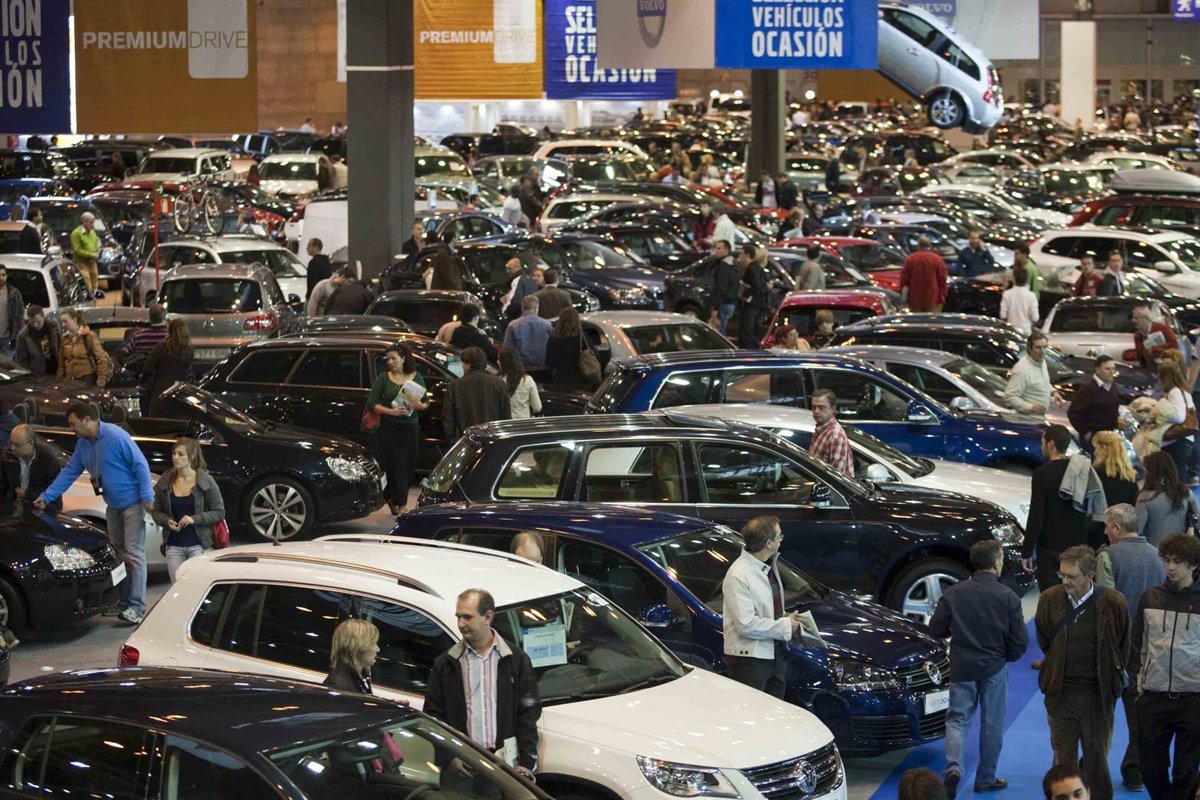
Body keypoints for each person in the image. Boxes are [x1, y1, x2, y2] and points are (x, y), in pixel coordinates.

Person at [34, 401, 154, 626]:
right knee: (118, 554)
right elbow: (70, 472)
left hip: (133, 504)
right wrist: (47, 496)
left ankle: (137, 607)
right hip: (113, 506)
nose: (72, 428)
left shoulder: (116, 436)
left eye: (74, 424)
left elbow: (140, 465)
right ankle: (122, 601)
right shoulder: (83, 443)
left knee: (134, 554)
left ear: (87, 420)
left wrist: (147, 496)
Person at [929, 540, 1028, 799]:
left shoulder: (954, 593)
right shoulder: (1008, 596)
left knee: (957, 721)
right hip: (993, 668)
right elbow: (1020, 640)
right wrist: (1005, 657)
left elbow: (936, 629)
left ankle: (953, 769)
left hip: (962, 667)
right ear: (996, 562)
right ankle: (986, 779)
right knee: (992, 725)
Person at [1035, 545, 1130, 800]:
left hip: (1098, 696)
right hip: (1060, 694)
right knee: (1063, 762)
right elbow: (1045, 640)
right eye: (1062, 575)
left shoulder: (1114, 602)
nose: (1065, 581)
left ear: (1090, 575)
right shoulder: (1049, 599)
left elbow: (1123, 646)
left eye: (1071, 576)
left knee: (1097, 761)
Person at [424, 588, 540, 777]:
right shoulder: (446, 663)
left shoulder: (515, 659)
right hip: (462, 767)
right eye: (458, 617)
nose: (461, 624)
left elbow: (528, 712)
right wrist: (448, 757)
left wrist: (525, 763)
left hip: (504, 766)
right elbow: (434, 715)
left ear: (488, 617)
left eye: (467, 617)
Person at [1095, 502, 1166, 792]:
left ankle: (1094, 771)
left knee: (1100, 712)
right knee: (1139, 715)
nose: (1105, 532)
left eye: (1106, 526)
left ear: (1116, 527)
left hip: (1115, 646)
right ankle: (1135, 772)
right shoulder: (1159, 556)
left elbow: (1104, 605)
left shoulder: (1108, 556)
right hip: (1150, 647)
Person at [1130, 533, 1200, 800]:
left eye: (1177, 561)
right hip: (1154, 696)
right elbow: (1138, 645)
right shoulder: (1150, 597)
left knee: (1186, 774)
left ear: (1193, 564)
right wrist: (1139, 688)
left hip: (1193, 699)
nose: (1170, 567)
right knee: (1150, 770)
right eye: (1167, 560)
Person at [721, 516, 807, 697]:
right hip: (750, 661)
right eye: (779, 536)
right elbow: (746, 625)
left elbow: (766, 610)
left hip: (773, 653)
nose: (781, 540)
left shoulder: (766, 565)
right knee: (751, 710)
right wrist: (785, 625)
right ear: (769, 543)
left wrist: (786, 618)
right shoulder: (738, 575)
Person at [1023, 425, 1095, 590]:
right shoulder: (1081, 471)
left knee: (1051, 595)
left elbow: (1036, 515)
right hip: (1077, 546)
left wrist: (1027, 551)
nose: (1041, 447)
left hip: (1049, 547)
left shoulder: (1042, 473)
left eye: (1043, 443)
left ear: (1051, 444)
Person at [150, 437, 224, 582]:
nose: (175, 457)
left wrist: (194, 519)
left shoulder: (205, 480)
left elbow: (219, 512)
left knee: (196, 585)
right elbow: (156, 511)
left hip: (198, 545)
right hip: (173, 545)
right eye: (174, 454)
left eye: (181, 454)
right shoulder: (166, 480)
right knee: (177, 587)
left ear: (192, 456)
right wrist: (166, 521)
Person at [367, 342, 428, 516]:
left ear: (403, 358)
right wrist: (390, 411)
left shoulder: (416, 377)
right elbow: (371, 404)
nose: (390, 362)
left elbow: (426, 402)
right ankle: (390, 498)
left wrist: (420, 406)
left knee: (406, 465)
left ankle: (402, 503)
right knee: (390, 464)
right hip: (389, 427)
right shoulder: (384, 378)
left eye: (393, 358)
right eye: (388, 359)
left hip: (409, 428)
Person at [443, 347, 510, 441]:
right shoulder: (499, 384)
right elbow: (505, 415)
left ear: (469, 364)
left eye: (464, 363)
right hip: (493, 441)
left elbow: (448, 419)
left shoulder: (455, 386)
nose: (462, 366)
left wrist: (453, 441)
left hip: (466, 441)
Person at [1136, 451, 1200, 546]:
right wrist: (1190, 526)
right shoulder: (1185, 493)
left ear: (1151, 473)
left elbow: (1137, 530)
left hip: (1155, 550)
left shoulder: (1145, 497)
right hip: (1182, 550)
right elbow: (1198, 520)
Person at [0, 424, 62, 512]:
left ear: (31, 444)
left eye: (17, 445)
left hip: (39, 512)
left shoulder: (49, 461)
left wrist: (27, 493)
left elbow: (53, 491)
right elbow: (3, 486)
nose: (12, 448)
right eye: (11, 443)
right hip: (12, 511)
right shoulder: (7, 456)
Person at [142, 319, 195, 416]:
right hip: (182, 394)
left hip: (162, 392)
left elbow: (146, 368)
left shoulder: (161, 347)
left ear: (169, 330)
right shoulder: (189, 350)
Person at [1069, 356, 1122, 450]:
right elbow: (1073, 413)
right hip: (1094, 440)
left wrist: (1117, 419)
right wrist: (1087, 434)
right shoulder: (1088, 389)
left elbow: (1112, 407)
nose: (1111, 372)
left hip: (1109, 437)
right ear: (1097, 370)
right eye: (1107, 369)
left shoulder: (1112, 386)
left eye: (1113, 369)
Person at [1003, 333, 1063, 416]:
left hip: (1039, 417)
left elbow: (1042, 382)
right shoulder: (1022, 370)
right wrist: (1030, 407)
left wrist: (1053, 392)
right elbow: (1009, 397)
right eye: (1038, 347)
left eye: (1044, 347)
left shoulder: (1041, 361)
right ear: (1029, 348)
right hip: (1026, 419)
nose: (1042, 351)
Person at [1158, 359, 1195, 479]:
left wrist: (1160, 409)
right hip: (1185, 440)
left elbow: (1179, 417)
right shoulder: (1184, 391)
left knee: (1176, 478)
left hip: (1177, 441)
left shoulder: (1174, 393)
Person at [323, 618, 379, 694]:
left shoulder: (357, 678)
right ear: (358, 647)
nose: (378, 649)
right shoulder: (340, 687)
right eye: (373, 643)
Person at [57, 308, 110, 387]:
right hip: (69, 381)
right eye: (62, 322)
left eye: (65, 321)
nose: (63, 325)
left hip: (87, 380)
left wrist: (101, 381)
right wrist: (59, 381)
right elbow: (61, 364)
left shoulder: (89, 336)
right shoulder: (64, 339)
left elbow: (101, 358)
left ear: (74, 320)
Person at [809, 389, 854, 477]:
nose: (816, 411)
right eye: (814, 407)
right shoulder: (822, 429)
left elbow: (836, 477)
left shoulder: (835, 435)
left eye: (821, 407)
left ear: (833, 409)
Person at [545, 308, 591, 391]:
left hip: (560, 380)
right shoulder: (583, 337)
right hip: (580, 379)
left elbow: (548, 361)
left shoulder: (554, 339)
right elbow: (593, 356)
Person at [503, 296, 553, 369]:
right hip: (544, 368)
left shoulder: (513, 325)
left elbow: (507, 349)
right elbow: (552, 347)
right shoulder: (547, 324)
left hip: (522, 368)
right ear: (536, 308)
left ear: (522, 308)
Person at [900, 236, 948, 313]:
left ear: (918, 246)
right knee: (932, 319)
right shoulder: (937, 259)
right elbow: (942, 279)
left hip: (915, 298)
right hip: (933, 297)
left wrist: (905, 296)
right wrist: (942, 296)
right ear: (930, 246)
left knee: (917, 319)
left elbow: (904, 279)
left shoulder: (911, 259)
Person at [738, 246, 770, 349]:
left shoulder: (752, 269)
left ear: (747, 255)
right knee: (753, 330)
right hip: (757, 305)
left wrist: (745, 293)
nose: (739, 256)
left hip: (751, 305)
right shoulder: (758, 269)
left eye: (741, 254)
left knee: (747, 331)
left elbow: (756, 286)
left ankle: (749, 351)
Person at [14, 304, 59, 377]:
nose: (35, 325)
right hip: (37, 375)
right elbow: (22, 361)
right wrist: (30, 376)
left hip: (55, 369)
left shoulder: (53, 328)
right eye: (32, 322)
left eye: (38, 321)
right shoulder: (23, 336)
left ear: (43, 316)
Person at [500, 347, 541, 420]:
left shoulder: (497, 380)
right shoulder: (528, 380)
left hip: (504, 422)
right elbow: (537, 408)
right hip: (523, 422)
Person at [1134, 304, 1179, 371]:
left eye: (1136, 318)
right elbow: (1141, 358)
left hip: (1168, 371)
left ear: (1145, 318)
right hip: (1150, 372)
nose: (1133, 320)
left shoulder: (1163, 329)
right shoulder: (1138, 336)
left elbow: (1175, 347)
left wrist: (1155, 349)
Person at [708, 241, 740, 337]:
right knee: (722, 328)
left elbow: (721, 287)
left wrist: (716, 307)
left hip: (723, 303)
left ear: (726, 250)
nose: (716, 251)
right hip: (730, 302)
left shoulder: (724, 265)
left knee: (719, 332)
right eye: (716, 248)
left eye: (719, 248)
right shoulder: (733, 263)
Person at [1000, 265, 1040, 334]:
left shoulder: (1007, 294)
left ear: (1014, 279)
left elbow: (1003, 315)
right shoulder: (1031, 296)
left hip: (1011, 330)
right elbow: (1035, 318)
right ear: (1027, 280)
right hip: (1026, 331)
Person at [70, 212, 101, 296]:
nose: (93, 225)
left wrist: (97, 253)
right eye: (91, 222)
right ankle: (89, 298)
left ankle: (94, 299)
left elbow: (97, 245)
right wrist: (90, 255)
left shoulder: (93, 232)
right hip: (81, 263)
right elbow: (77, 250)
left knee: (95, 283)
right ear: (84, 222)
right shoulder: (76, 233)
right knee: (87, 281)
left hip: (92, 262)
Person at [0, 265, 23, 359]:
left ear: (6, 276)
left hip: (8, 338)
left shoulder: (14, 294)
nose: (1, 277)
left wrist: (17, 335)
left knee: (10, 365)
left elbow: (20, 316)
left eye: (3, 275)